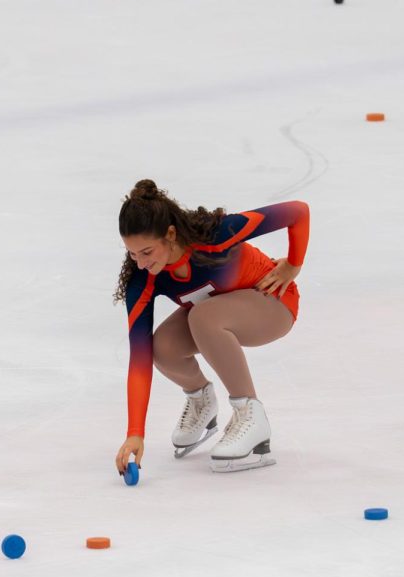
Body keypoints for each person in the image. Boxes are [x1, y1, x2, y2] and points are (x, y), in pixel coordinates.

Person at [114, 179, 309, 474]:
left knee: (202, 316)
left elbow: (298, 212)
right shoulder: (143, 280)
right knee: (163, 346)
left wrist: (293, 264)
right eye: (133, 253)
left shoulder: (215, 234)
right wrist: (135, 432)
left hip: (274, 304)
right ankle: (201, 401)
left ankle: (250, 415)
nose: (140, 263)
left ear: (170, 234)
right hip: (216, 315)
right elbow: (139, 358)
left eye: (147, 252)